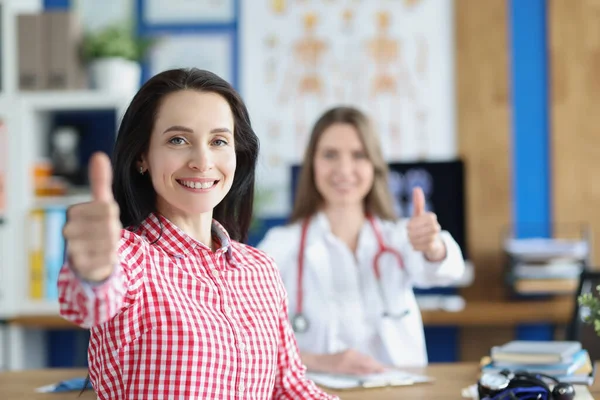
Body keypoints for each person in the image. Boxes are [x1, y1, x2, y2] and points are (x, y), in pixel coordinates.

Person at [57, 68, 337, 400]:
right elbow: (89, 304)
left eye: (219, 141)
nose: (202, 161)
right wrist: (92, 274)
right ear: (143, 156)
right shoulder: (127, 256)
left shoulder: (259, 269)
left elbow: (287, 386)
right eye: (178, 140)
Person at [257, 106, 465, 375]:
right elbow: (251, 340)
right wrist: (321, 361)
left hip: (398, 393)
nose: (344, 169)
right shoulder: (280, 246)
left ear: (374, 165)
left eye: (358, 155)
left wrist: (433, 247)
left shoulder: (399, 237)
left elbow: (448, 271)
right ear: (312, 164)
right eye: (330, 155)